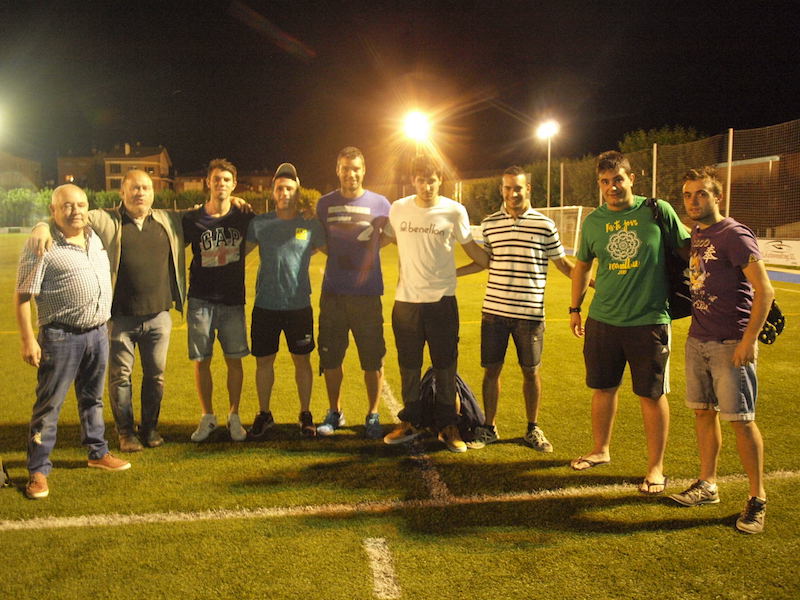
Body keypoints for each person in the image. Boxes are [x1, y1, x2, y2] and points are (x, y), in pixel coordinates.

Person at [27, 169, 186, 453]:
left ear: (153, 193)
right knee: (120, 378)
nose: (140, 193)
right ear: (122, 193)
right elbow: (71, 214)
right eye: (134, 188)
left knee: (156, 377)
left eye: (146, 188)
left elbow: (205, 214)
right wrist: (41, 225)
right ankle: (126, 433)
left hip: (159, 316)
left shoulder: (168, 219)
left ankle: (150, 428)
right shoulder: (107, 219)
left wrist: (235, 202)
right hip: (120, 318)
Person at [569, 150, 690, 494]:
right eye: (605, 181)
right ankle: (600, 450)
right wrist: (575, 308)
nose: (612, 187)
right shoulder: (593, 221)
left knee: (652, 395)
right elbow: (583, 266)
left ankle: (655, 467)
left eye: (618, 179)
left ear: (631, 179)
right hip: (603, 319)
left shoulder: (656, 210)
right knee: (603, 388)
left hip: (649, 320)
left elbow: (688, 249)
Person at [669, 167, 773, 534]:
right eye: (688, 195)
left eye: (701, 193)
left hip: (730, 343)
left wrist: (748, 341)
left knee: (741, 420)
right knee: (703, 413)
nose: (693, 201)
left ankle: (757, 498)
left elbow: (765, 290)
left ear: (718, 197)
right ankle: (707, 484)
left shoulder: (734, 234)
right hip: (698, 339)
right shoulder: (698, 233)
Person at [16, 184, 130, 500]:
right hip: (60, 335)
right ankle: (38, 470)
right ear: (53, 211)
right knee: (49, 405)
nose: (75, 210)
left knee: (92, 399)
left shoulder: (95, 237)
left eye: (81, 204)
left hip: (97, 332)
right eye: (67, 206)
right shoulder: (42, 244)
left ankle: (97, 452)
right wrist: (28, 340)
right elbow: (23, 297)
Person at [457, 166, 577, 451]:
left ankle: (532, 428)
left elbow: (563, 264)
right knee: (491, 371)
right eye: (508, 188)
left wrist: (595, 284)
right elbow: (484, 262)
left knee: (531, 372)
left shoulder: (544, 225)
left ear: (528, 189)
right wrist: (451, 273)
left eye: (518, 188)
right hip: (494, 312)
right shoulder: (490, 224)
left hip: (530, 315)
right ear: (502, 190)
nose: (513, 193)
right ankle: (489, 428)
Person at [383, 154, 489, 452]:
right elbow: (386, 238)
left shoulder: (454, 211)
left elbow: (473, 250)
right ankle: (411, 421)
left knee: (445, 366)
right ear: (413, 180)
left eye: (432, 180)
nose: (426, 186)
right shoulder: (398, 208)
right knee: (409, 365)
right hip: (406, 303)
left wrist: (493, 259)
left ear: (440, 179)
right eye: (421, 180)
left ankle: (448, 425)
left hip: (442, 302)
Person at [315, 147, 391, 439]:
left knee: (372, 359)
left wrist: (369, 250)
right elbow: (319, 239)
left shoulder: (381, 203)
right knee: (331, 358)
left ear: (364, 170)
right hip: (334, 294)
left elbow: (389, 235)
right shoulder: (324, 204)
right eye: (345, 168)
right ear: (338, 170)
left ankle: (373, 414)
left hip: (367, 295)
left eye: (356, 168)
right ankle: (335, 412)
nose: (351, 174)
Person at [246, 163, 325, 438]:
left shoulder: (310, 223)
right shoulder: (260, 223)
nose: (285, 193)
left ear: (297, 191)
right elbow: (238, 254)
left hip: (298, 305)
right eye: (280, 188)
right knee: (263, 362)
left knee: (302, 361)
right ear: (273, 191)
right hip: (265, 304)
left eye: (290, 188)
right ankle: (264, 413)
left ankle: (305, 413)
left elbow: (328, 248)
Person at [184, 159, 254, 443]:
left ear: (234, 184)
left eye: (226, 180)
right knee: (202, 360)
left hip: (232, 300)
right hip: (200, 300)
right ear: (208, 183)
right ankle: (208, 416)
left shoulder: (244, 215)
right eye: (216, 179)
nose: (221, 184)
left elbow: (267, 229)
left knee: (234, 360)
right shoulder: (192, 218)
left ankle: (234, 415)